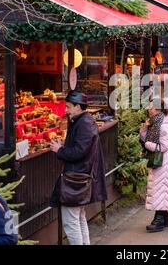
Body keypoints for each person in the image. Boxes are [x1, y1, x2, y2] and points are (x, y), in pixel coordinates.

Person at [50, 91, 107, 245]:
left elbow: (79, 152)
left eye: (68, 107)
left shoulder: (84, 123)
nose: (66, 110)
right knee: (79, 218)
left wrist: (59, 150)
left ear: (78, 107)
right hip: (80, 178)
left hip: (76, 180)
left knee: (71, 221)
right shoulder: (83, 121)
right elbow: (81, 148)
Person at [139, 102, 168, 232]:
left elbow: (164, 147)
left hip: (163, 161)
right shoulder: (155, 123)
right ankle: (163, 217)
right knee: (161, 188)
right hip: (159, 160)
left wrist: (148, 145)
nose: (149, 109)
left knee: (161, 188)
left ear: (158, 109)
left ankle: (159, 219)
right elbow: (148, 140)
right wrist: (144, 130)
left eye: (151, 107)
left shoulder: (163, 126)